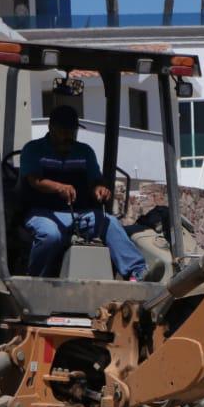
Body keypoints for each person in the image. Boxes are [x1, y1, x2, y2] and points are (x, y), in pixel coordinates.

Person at [19, 105, 147, 280]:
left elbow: (95, 181)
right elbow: (34, 181)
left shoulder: (85, 152)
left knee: (111, 223)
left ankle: (138, 274)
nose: (69, 136)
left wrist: (99, 190)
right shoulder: (33, 149)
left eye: (72, 131)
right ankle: (34, 280)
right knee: (50, 235)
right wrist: (60, 187)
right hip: (42, 212)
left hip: (80, 214)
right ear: (51, 128)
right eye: (64, 131)